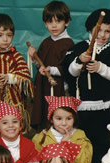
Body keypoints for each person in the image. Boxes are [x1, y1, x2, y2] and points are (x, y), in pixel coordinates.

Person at [62, 8, 110, 163]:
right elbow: (71, 73)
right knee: (80, 140)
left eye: (107, 31)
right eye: (99, 30)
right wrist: (79, 62)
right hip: (82, 105)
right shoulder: (79, 48)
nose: (103, 35)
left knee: (101, 143)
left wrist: (101, 68)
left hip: (104, 105)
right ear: (90, 29)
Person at [28, 1, 74, 130]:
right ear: (45, 23)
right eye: (50, 22)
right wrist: (34, 58)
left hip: (59, 88)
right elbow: (41, 67)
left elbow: (69, 69)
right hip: (44, 87)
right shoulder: (46, 42)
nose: (53, 26)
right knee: (44, 115)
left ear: (67, 22)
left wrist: (52, 70)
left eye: (58, 21)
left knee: (57, 117)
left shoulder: (68, 44)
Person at [32, 96, 92, 163]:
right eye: (59, 118)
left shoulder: (80, 136)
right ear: (51, 119)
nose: (64, 123)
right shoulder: (42, 137)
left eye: (69, 119)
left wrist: (68, 145)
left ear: (74, 119)